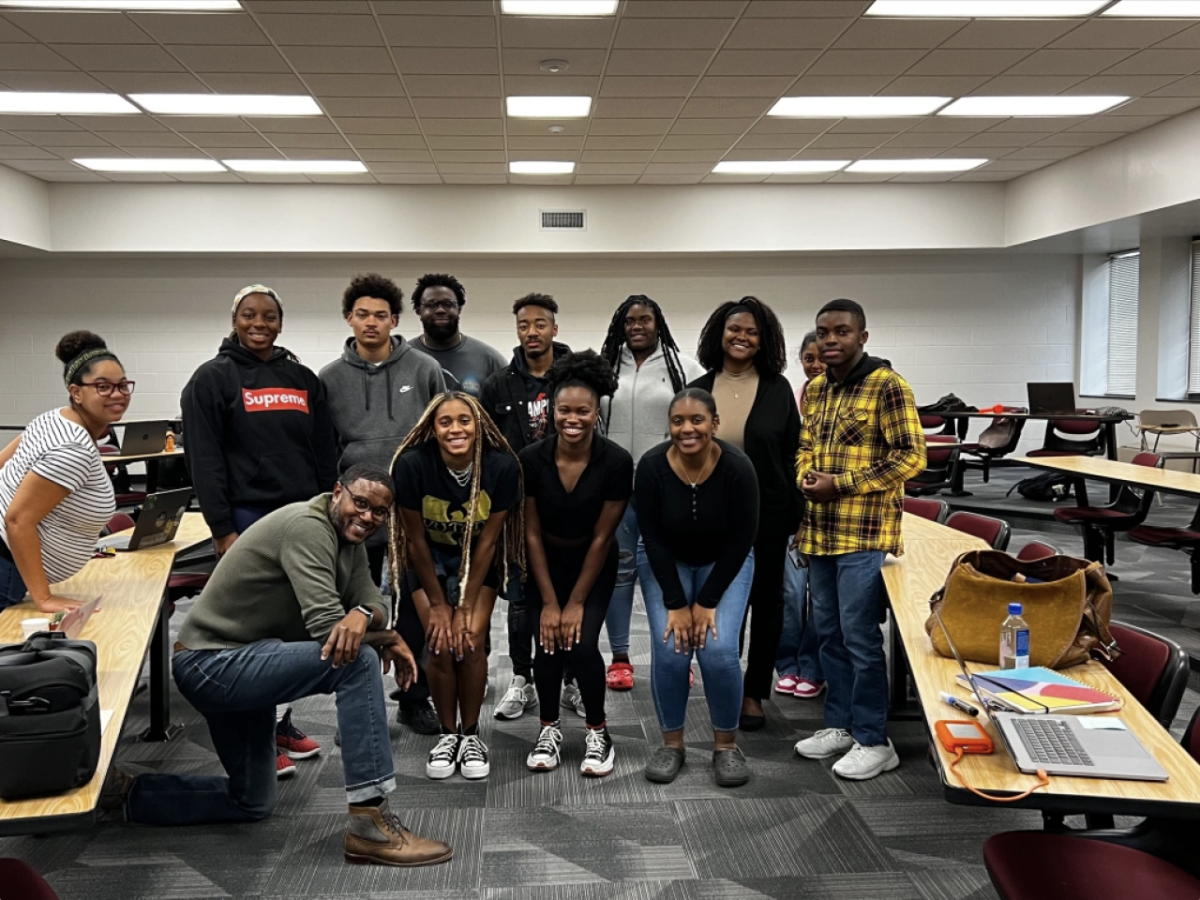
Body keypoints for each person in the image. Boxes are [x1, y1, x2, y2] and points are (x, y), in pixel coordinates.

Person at [117, 465, 453, 868]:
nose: (367, 517)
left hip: (248, 661)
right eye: (360, 503)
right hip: (211, 664)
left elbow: (374, 602)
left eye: (379, 512)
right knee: (360, 661)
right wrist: (388, 638)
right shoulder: (307, 527)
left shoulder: (351, 544)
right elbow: (329, 629)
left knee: (251, 801)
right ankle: (371, 825)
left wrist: (365, 614)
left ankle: (126, 794)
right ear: (337, 493)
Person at [181, 283, 338, 775]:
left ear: (280, 322)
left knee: (292, 625)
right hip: (248, 522)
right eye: (249, 315)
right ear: (234, 319)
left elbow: (323, 448)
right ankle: (257, 737)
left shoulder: (301, 378)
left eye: (269, 316)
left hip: (304, 517)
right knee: (250, 632)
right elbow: (203, 460)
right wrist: (222, 528)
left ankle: (281, 722)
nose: (259, 323)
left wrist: (329, 510)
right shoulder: (211, 379)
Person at [793, 298, 925, 781]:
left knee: (860, 638)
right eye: (823, 332)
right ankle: (841, 726)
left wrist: (841, 484)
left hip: (864, 533)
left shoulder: (888, 386)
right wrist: (806, 475)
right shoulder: (819, 388)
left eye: (842, 332)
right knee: (827, 634)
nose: (831, 340)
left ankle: (874, 737)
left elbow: (911, 458)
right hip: (822, 533)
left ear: (862, 337)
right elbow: (806, 446)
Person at [320, 274, 446, 737]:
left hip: (411, 507)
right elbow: (324, 447)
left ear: (395, 320)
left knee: (414, 605)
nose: (371, 323)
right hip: (356, 511)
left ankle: (415, 699)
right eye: (362, 314)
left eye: (380, 315)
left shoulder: (424, 368)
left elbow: (440, 437)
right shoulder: (330, 379)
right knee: (358, 608)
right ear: (349, 319)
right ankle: (359, 706)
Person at [389, 392, 524, 781]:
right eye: (445, 422)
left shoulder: (500, 467)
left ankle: (471, 734)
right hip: (427, 561)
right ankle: (448, 736)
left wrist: (463, 606)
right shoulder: (413, 466)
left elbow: (488, 542)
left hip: (479, 564)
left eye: (464, 420)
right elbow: (414, 541)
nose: (455, 429)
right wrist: (439, 605)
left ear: (478, 424)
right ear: (432, 429)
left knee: (469, 639)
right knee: (440, 642)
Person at [636, 388, 757, 788]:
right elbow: (651, 536)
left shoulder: (738, 467)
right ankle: (672, 744)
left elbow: (743, 539)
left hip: (724, 561)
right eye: (677, 421)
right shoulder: (651, 466)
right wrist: (675, 602)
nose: (687, 428)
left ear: (715, 424)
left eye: (697, 420)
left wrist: (706, 602)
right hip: (666, 561)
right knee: (672, 650)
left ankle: (726, 747)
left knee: (719, 650)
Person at [690, 296, 800, 732]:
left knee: (767, 602)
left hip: (769, 515)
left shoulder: (777, 389)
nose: (742, 337)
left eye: (752, 332)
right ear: (719, 333)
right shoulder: (699, 387)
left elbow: (792, 454)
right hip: (713, 516)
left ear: (764, 340)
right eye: (735, 329)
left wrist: (797, 514)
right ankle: (725, 681)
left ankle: (754, 692)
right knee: (719, 600)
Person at [520, 352, 631, 777]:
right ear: (551, 410)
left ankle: (599, 732)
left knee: (582, 644)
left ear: (596, 411)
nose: (573, 419)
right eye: (564, 410)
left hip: (593, 563)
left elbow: (603, 538)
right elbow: (530, 533)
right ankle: (548, 728)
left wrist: (576, 602)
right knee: (546, 642)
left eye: (583, 411)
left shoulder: (617, 462)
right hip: (543, 562)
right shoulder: (531, 458)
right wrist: (550, 602)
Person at [598, 295, 704, 692]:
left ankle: (679, 654)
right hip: (617, 490)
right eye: (630, 321)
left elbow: (699, 424)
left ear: (658, 323)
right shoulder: (606, 366)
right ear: (621, 326)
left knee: (670, 571)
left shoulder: (684, 368)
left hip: (668, 488)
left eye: (645, 319)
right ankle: (621, 658)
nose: (637, 326)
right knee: (621, 571)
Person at [480, 294, 575, 723]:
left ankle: (570, 678)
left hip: (570, 504)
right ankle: (523, 679)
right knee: (519, 597)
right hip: (517, 508)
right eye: (523, 324)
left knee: (570, 592)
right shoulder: (499, 384)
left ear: (555, 328)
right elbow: (487, 448)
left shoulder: (577, 376)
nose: (532, 331)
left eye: (540, 323)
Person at [0, 331, 128, 613]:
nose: (117, 395)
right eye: (103, 387)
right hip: (5, 566)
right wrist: (44, 598)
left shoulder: (54, 418)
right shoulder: (74, 448)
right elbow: (18, 520)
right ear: (76, 392)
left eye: (123, 385)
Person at [776, 332, 827, 701]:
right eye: (808, 358)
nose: (815, 364)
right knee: (791, 596)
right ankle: (787, 665)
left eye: (821, 357)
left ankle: (812, 667)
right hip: (795, 515)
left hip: (831, 518)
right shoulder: (793, 401)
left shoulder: (843, 398)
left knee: (821, 600)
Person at [407, 273, 506, 398]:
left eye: (448, 304)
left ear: (459, 309)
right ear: (418, 311)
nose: (440, 310)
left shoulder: (489, 360)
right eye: (431, 304)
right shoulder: (403, 358)